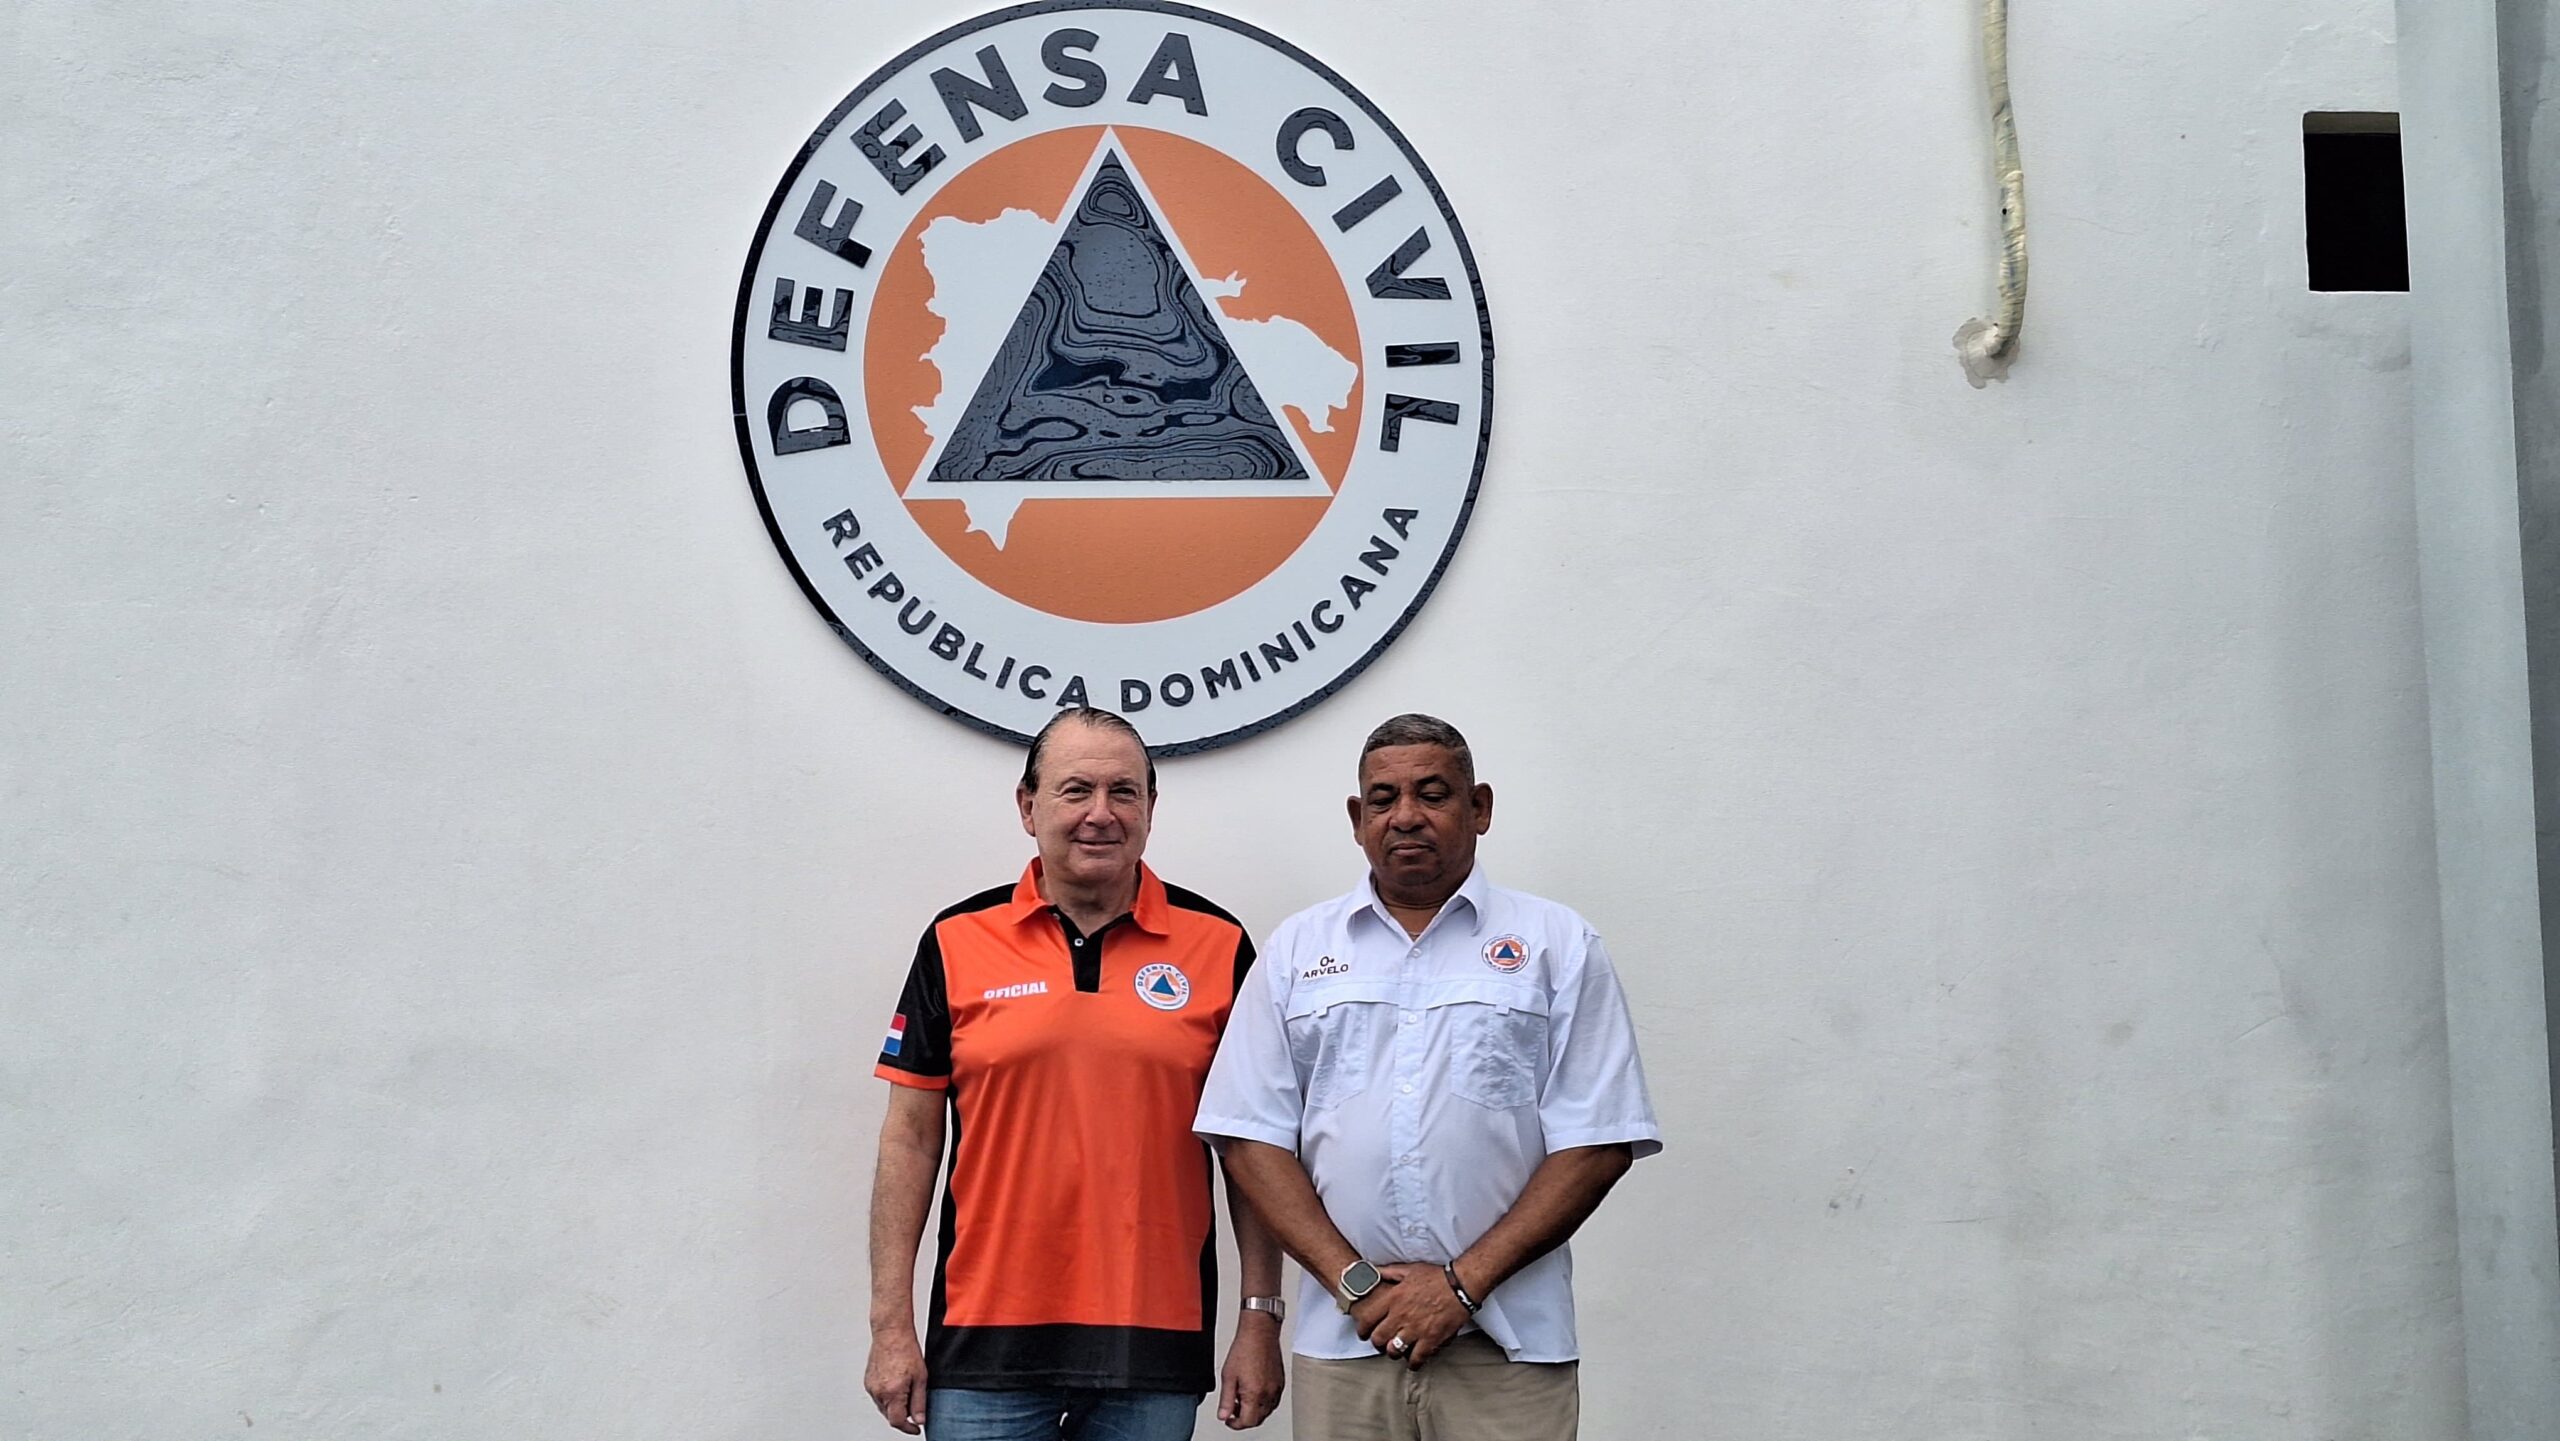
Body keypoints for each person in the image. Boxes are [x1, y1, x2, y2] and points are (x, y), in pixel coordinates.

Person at [1194, 713, 1661, 1440]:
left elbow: (1598, 1140)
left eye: (1433, 794)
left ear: (1479, 807)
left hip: (1509, 1352)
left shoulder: (1557, 944)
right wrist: (1354, 1283)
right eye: (1383, 799)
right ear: (1358, 818)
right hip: (1346, 1343)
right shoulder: (1297, 951)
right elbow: (1250, 1137)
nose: (1406, 815)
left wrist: (1459, 1286)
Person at [865, 707, 1285, 1440]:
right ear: (1028, 807)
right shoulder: (956, 940)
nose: (1101, 813)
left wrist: (1259, 1318)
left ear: (1151, 808)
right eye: (1076, 790)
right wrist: (890, 1324)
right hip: (982, 1346)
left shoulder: (1219, 946)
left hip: (1154, 1347)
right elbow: (911, 1139)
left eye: (1124, 791)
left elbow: (1252, 1150)